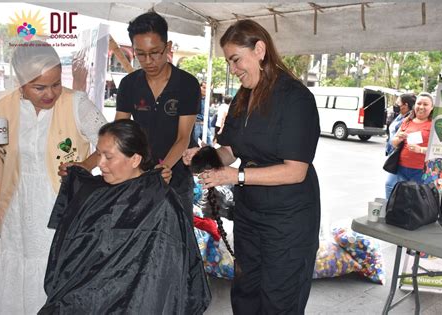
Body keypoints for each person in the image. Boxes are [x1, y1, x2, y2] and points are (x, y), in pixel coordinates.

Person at [183, 19, 321, 314]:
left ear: (259, 49)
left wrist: (237, 176)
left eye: (235, 60)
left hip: (288, 221)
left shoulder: (296, 99)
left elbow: (295, 170)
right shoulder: (242, 98)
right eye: (229, 62)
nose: (232, 69)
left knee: (278, 301)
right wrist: (203, 157)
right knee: (245, 295)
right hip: (250, 215)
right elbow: (230, 151)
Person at [39, 119, 210, 314]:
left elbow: (164, 275)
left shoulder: (161, 204)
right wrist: (75, 176)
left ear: (135, 159)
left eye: (108, 157)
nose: (100, 164)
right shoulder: (92, 193)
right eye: (99, 154)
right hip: (85, 298)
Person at [0, 41, 107, 314]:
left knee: (53, 266)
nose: (51, 93)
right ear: (20, 82)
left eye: (56, 84)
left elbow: (111, 142)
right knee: (16, 265)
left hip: (58, 207)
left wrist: (84, 165)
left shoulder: (76, 104)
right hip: (15, 208)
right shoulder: (2, 108)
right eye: (39, 87)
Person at [115, 12, 200, 223]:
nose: (148, 61)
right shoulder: (129, 84)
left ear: (168, 47)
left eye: (155, 53)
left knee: (178, 240)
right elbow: (119, 131)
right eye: (140, 54)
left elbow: (183, 137)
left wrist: (164, 167)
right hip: (139, 176)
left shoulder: (187, 85)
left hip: (177, 177)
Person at [390, 92, 434, 189]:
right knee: (400, 197)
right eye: (419, 103)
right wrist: (399, 138)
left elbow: (438, 150)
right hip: (401, 168)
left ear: (432, 108)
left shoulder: (434, 125)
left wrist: (420, 150)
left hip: (421, 171)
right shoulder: (407, 120)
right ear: (414, 106)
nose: (421, 107)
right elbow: (393, 143)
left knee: (415, 200)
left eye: (425, 104)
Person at [385, 93, 416, 198]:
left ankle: (390, 208)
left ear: (405, 105)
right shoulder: (399, 115)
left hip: (400, 155)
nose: (396, 105)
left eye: (398, 102)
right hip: (393, 152)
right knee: (393, 185)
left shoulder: (410, 118)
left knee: (390, 185)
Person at [194, 81, 213, 145]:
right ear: (200, 87)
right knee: (193, 145)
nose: (206, 90)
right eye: (204, 87)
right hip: (196, 125)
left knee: (209, 144)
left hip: (204, 125)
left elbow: (207, 115)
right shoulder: (194, 98)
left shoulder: (206, 100)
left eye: (208, 88)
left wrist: (209, 128)